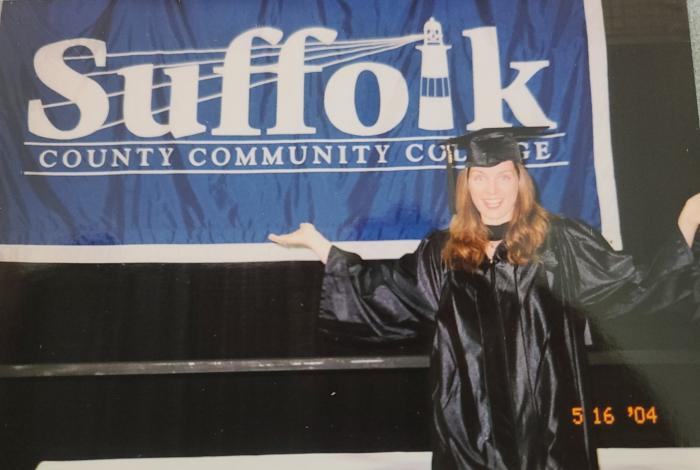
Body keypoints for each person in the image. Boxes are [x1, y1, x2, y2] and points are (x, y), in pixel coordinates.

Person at [269, 129, 700, 470]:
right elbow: (385, 293)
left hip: (547, 437)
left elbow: (632, 288)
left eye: (503, 177)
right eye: (480, 177)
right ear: (466, 184)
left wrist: (688, 218)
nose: (492, 191)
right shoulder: (443, 254)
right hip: (470, 437)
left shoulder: (561, 243)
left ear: (520, 181)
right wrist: (321, 248)